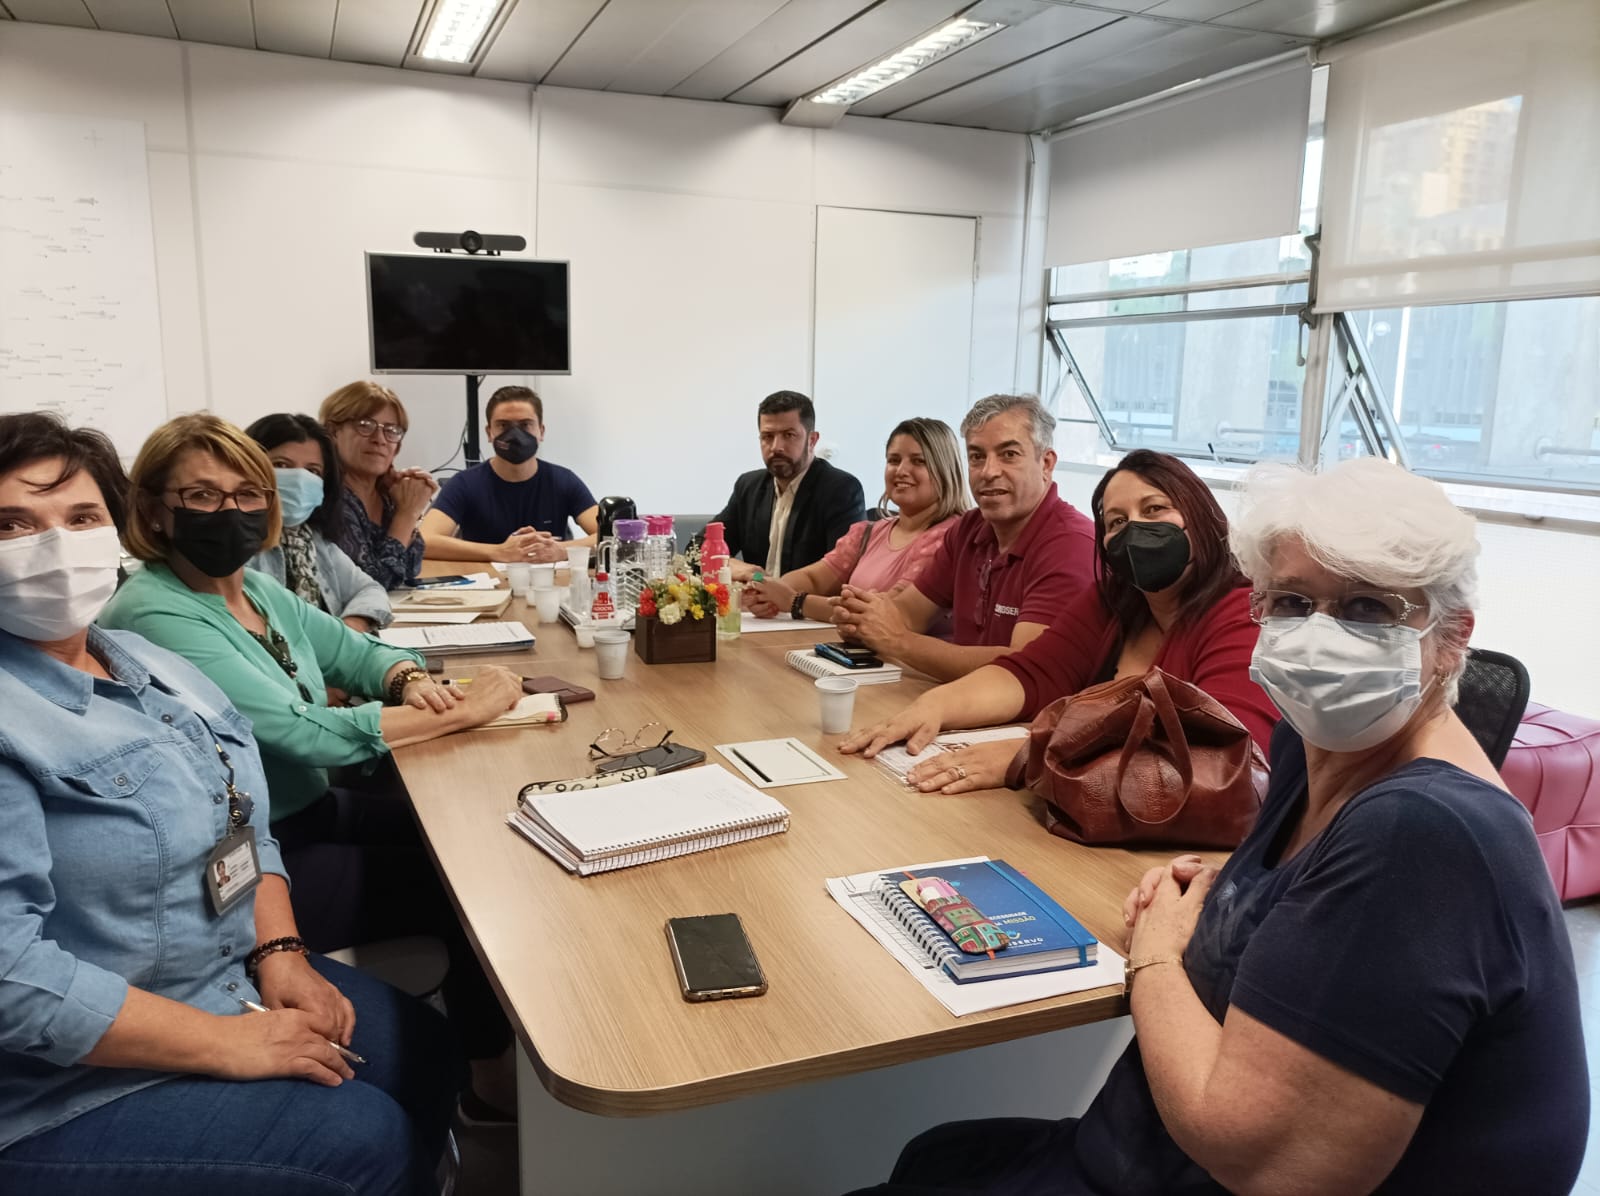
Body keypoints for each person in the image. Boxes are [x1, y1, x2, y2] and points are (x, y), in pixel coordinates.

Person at [848, 457, 1587, 1196]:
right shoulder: (1315, 745)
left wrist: (1160, 955)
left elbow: (1270, 1166)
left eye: (1368, 608)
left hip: (1197, 1168)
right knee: (935, 1153)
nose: (1321, 636)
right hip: (1137, 1152)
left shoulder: (1424, 831)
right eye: (1293, 602)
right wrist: (1232, 899)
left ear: (1454, 636)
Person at [0, 413, 459, 1194]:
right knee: (360, 1140)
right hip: (60, 1083)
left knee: (424, 1050)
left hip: (222, 975)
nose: (52, 544)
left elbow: (244, 820)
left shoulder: (144, 663)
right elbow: (12, 978)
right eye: (12, 523)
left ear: (111, 528)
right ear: (155, 516)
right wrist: (222, 1044)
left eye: (79, 518)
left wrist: (279, 953)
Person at [99, 413, 524, 1117]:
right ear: (154, 511)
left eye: (247, 494)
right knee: (470, 887)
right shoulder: (154, 612)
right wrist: (465, 710)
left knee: (479, 833)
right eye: (202, 497)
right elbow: (306, 735)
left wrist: (405, 681)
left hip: (306, 811)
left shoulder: (253, 591)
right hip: (253, 864)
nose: (231, 511)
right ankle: (488, 1083)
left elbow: (357, 654)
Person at [843, 449, 1276, 789]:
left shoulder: (1241, 614)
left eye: (1155, 510)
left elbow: (1228, 757)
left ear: (1199, 514)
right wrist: (935, 707)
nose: (1136, 530)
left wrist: (1033, 758)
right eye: (1118, 521)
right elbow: (1033, 672)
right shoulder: (1113, 601)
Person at [834, 394, 1095, 683]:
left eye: (1009, 454)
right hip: (965, 703)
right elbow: (908, 614)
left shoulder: (1072, 545)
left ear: (1046, 463)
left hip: (1027, 720)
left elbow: (1025, 668)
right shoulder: (970, 527)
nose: (989, 472)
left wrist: (898, 642)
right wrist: (862, 617)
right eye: (977, 456)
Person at [744, 418, 968, 623]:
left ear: (945, 469)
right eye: (894, 460)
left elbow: (889, 611)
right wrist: (768, 594)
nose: (901, 471)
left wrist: (794, 601)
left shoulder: (948, 538)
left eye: (918, 461)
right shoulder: (868, 533)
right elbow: (814, 578)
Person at [245, 413, 393, 633]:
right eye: (282, 465)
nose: (299, 478)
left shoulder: (312, 541)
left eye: (312, 471)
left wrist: (350, 629)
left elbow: (370, 589)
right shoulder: (237, 546)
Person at [421, 385, 599, 563]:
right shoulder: (464, 484)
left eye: (525, 425)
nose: (515, 435)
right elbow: (424, 540)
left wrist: (561, 550)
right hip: (485, 586)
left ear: (541, 431)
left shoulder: (563, 481)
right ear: (489, 433)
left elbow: (612, 536)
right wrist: (497, 552)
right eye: (503, 425)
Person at [713, 390, 865, 581]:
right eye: (767, 436)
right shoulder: (748, 487)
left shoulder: (841, 490)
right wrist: (745, 572)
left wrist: (774, 590)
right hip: (752, 608)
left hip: (806, 608)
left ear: (812, 440)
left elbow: (842, 571)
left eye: (789, 435)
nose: (776, 446)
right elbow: (701, 548)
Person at [320, 380, 436, 590]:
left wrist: (408, 506)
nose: (379, 439)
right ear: (332, 432)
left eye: (391, 430)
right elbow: (370, 585)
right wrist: (407, 514)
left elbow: (411, 568)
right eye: (365, 425)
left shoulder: (387, 496)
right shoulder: (327, 497)